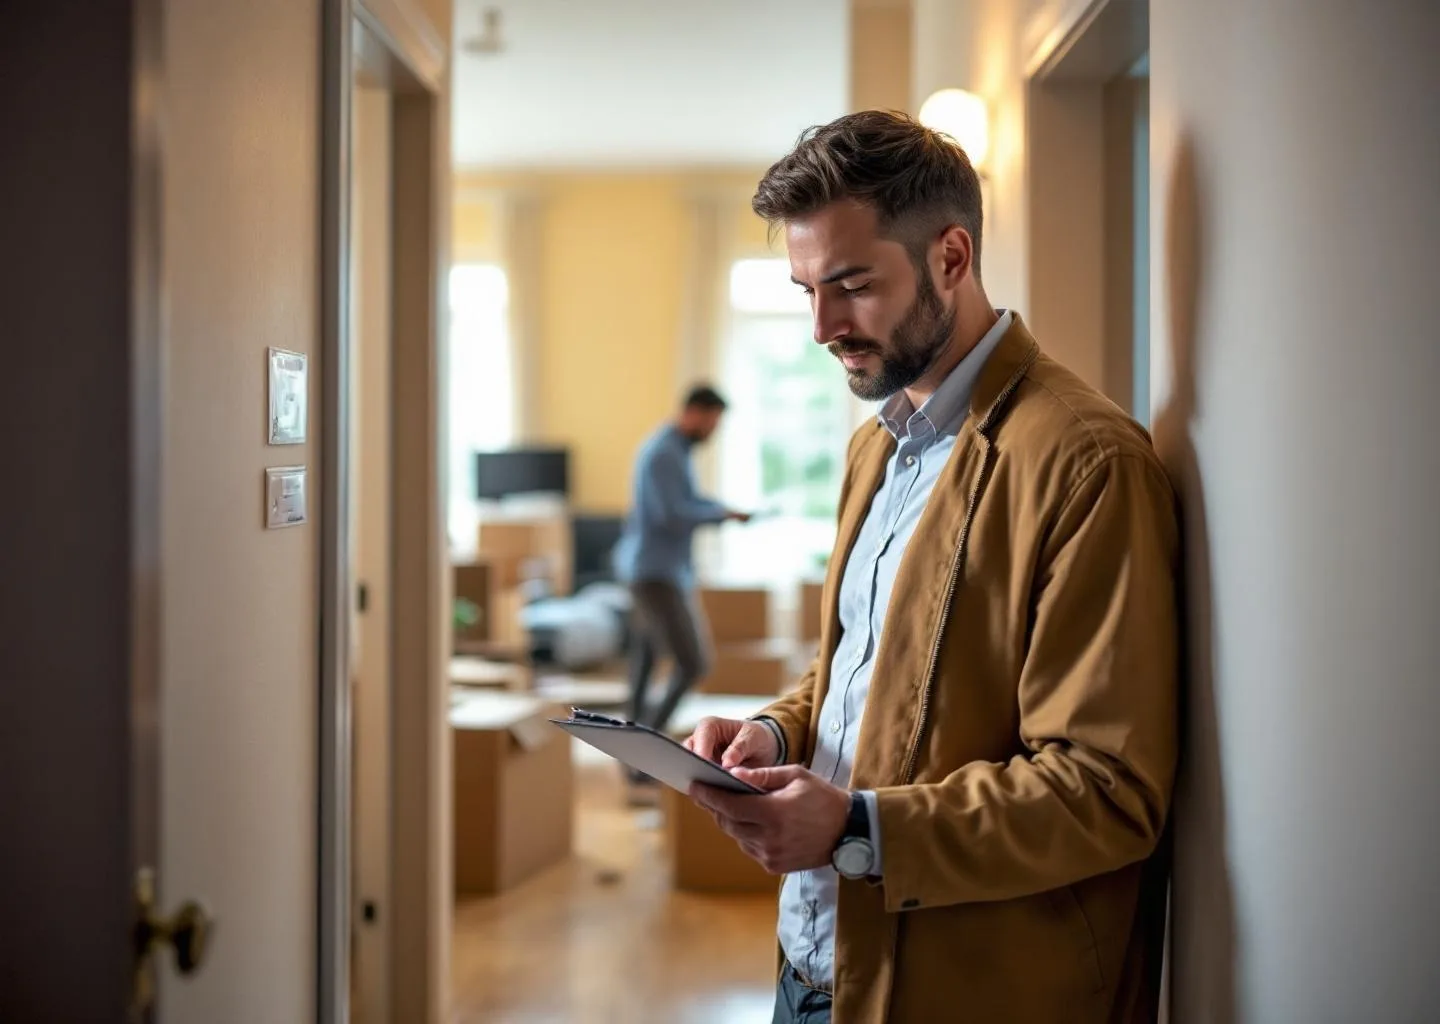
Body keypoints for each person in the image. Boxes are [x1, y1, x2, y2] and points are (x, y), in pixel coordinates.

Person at [682, 111, 1180, 1023]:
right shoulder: (876, 452)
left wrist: (859, 828)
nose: (823, 327)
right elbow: (869, 672)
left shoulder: (1086, 462)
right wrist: (776, 734)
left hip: (962, 989)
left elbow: (1108, 789)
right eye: (805, 291)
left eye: (852, 286)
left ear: (952, 257)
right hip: (814, 972)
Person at [613, 385, 751, 747]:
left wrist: (722, 508)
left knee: (644, 662)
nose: (713, 431)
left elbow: (685, 501)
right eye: (712, 423)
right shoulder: (664, 453)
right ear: (694, 413)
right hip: (655, 574)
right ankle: (643, 748)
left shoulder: (674, 449)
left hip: (652, 570)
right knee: (693, 663)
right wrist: (720, 514)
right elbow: (672, 515)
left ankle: (631, 751)